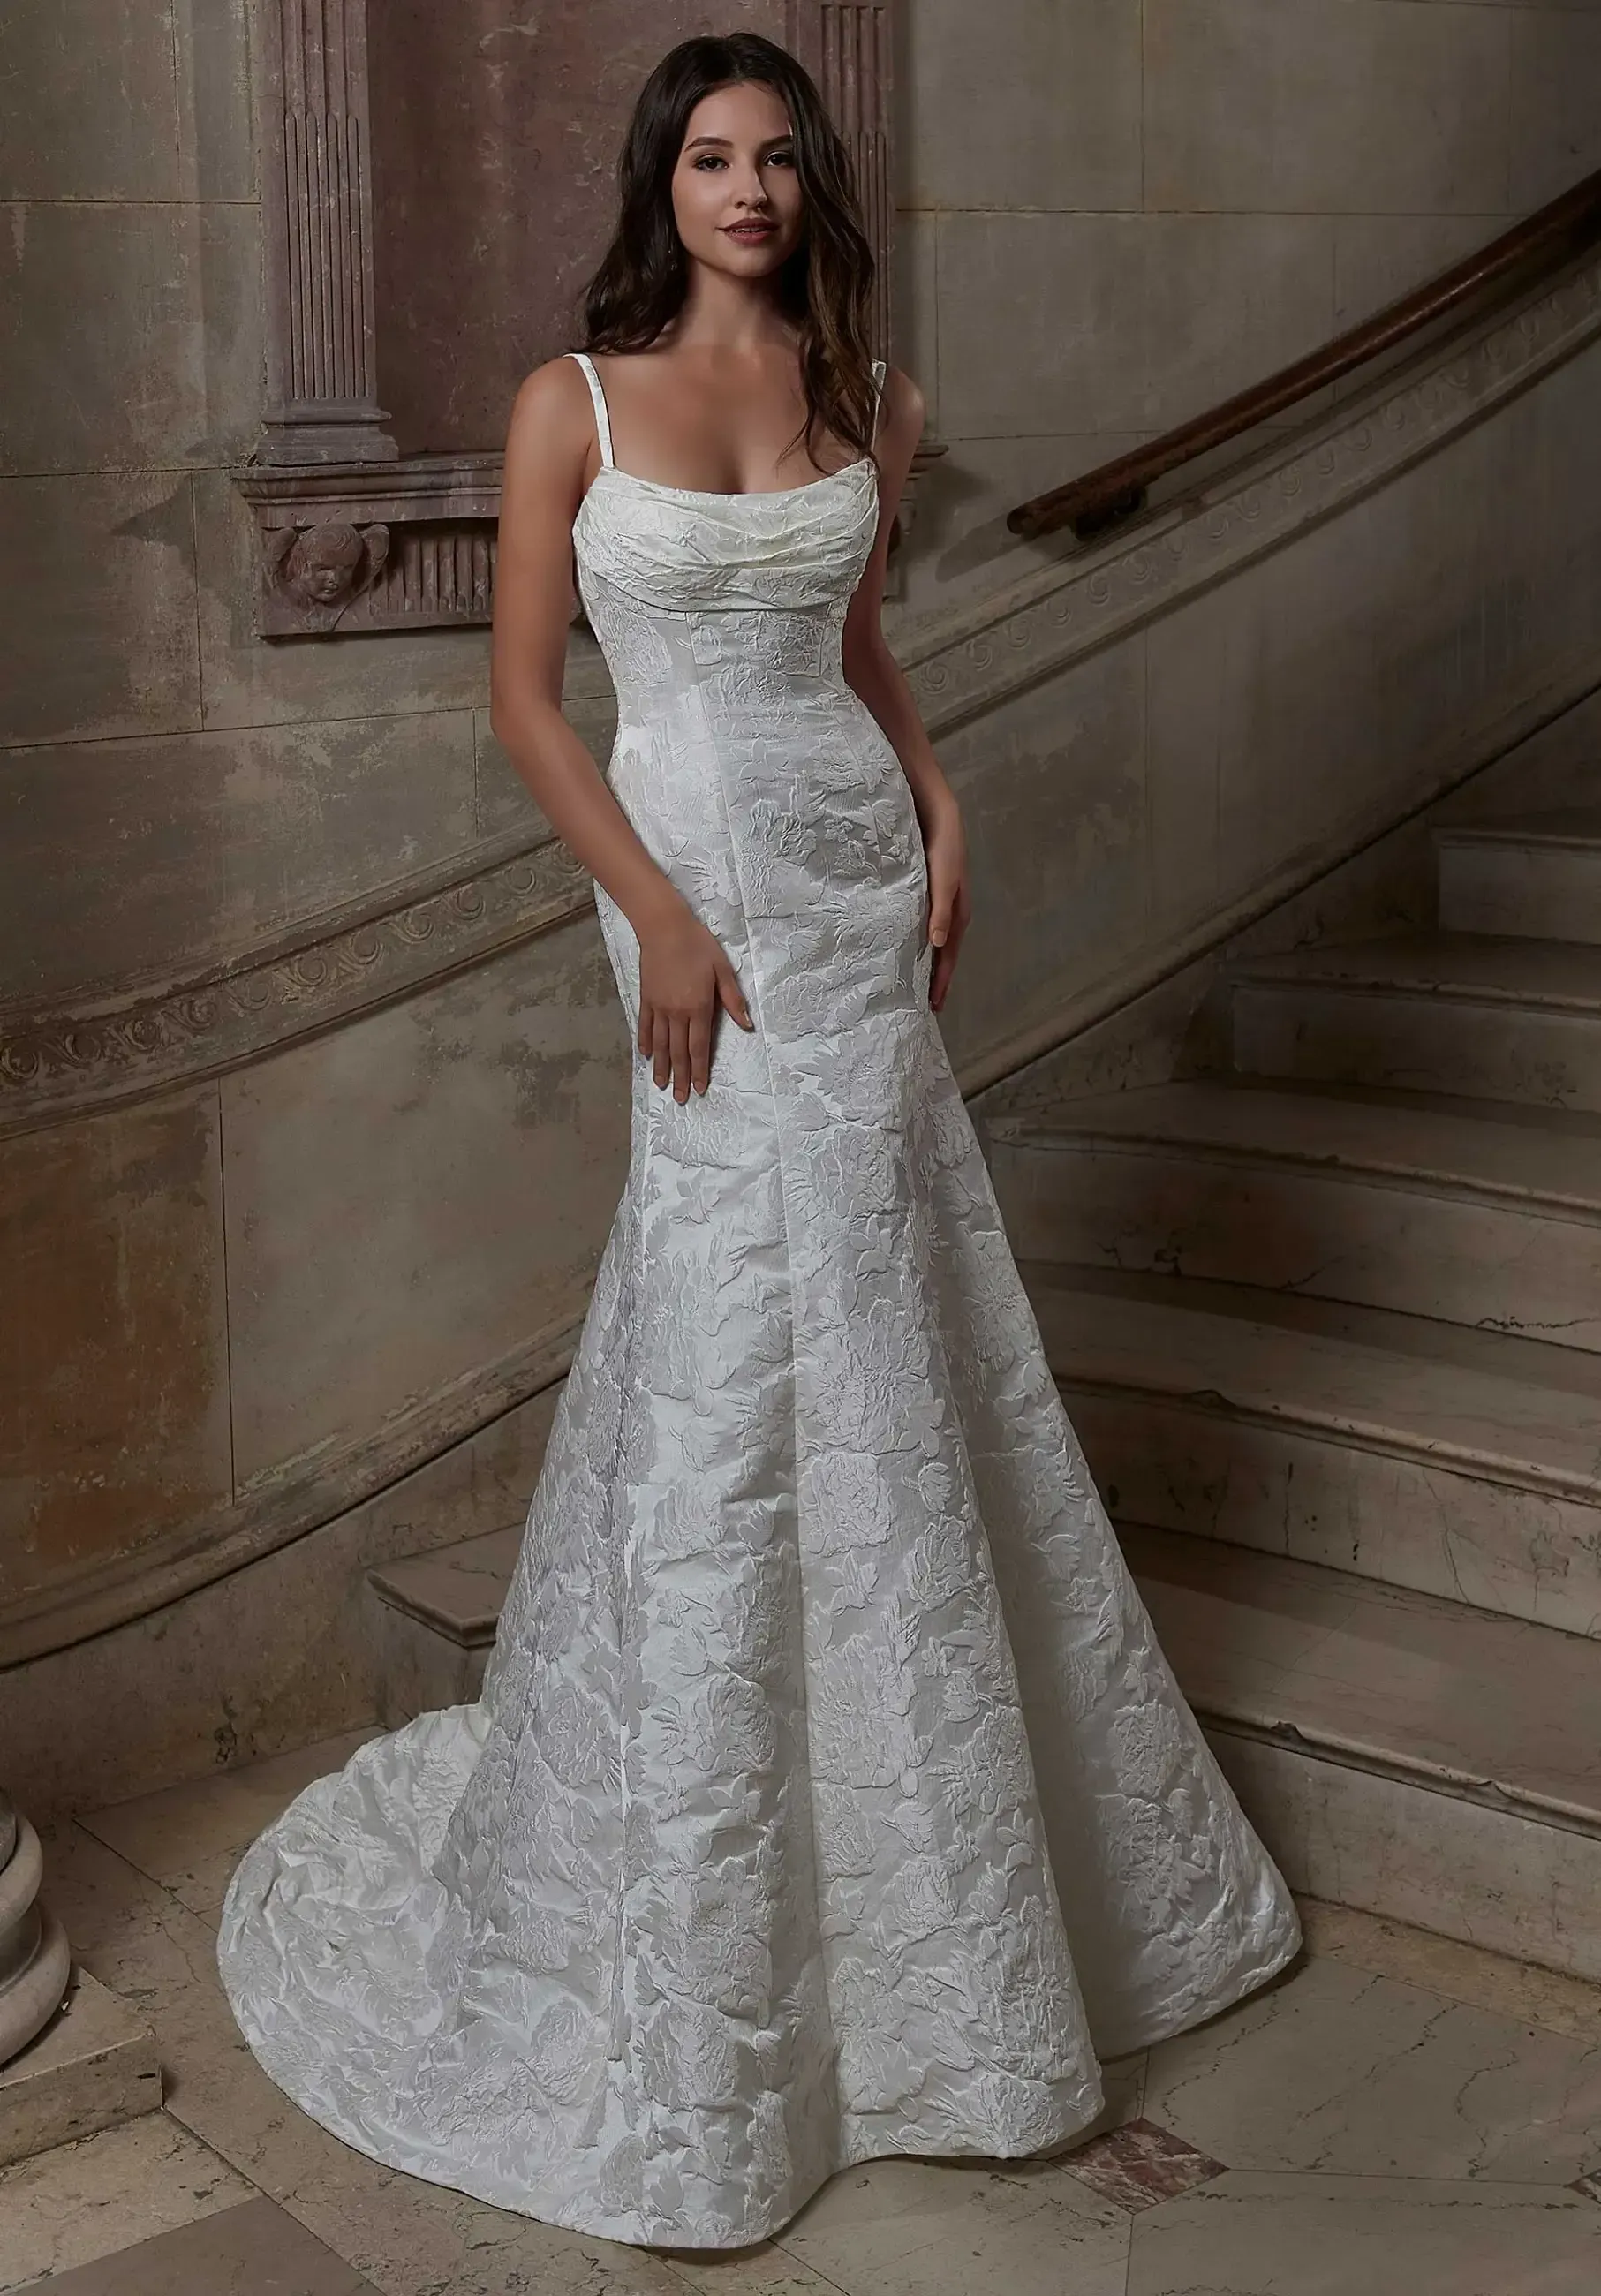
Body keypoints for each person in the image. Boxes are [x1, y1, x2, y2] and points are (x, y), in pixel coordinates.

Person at [215, 31, 1302, 2254]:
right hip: (692, 889)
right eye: (710, 157)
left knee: (894, 1322)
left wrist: (949, 796)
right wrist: (663, 918)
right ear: (662, 182)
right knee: (728, 1332)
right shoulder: (571, 403)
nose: (746, 188)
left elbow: (859, 643)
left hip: (849, 871)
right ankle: (710, 1928)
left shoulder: (858, 403)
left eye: (778, 158)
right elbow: (530, 699)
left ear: (809, 191)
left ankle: (939, 1919)